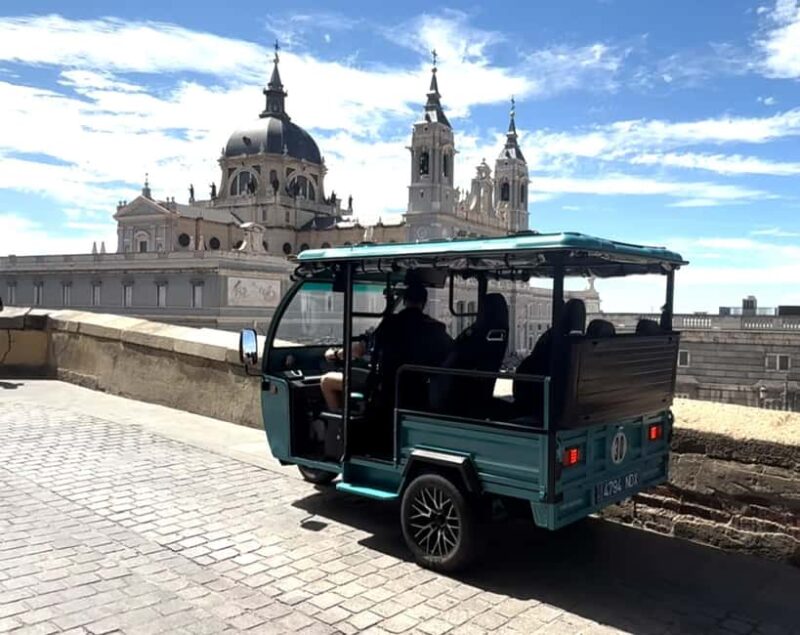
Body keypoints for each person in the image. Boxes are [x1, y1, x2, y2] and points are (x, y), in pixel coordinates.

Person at [319, 281, 452, 412]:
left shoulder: (390, 323)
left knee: (326, 380)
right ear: (424, 303)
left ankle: (340, 429)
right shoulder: (435, 328)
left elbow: (358, 350)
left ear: (405, 301)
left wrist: (334, 354)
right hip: (420, 388)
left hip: (387, 385)